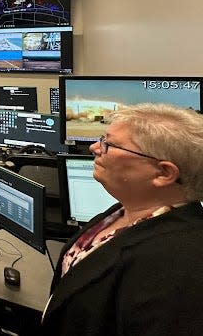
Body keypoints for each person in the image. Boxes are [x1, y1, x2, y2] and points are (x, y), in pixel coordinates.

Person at [42, 103, 203, 336]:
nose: (94, 148)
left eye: (110, 144)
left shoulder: (179, 267)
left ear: (164, 173)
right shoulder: (124, 210)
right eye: (101, 138)